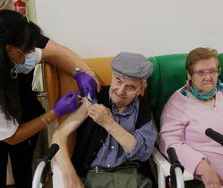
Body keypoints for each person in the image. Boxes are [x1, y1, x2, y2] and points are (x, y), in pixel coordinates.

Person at [0, 1, 100, 188]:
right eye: (0, 13)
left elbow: (50, 53)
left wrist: (82, 72)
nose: (24, 58)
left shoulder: (20, 34)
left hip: (24, 114)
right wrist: (54, 112)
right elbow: (11, 136)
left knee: (24, 168)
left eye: (11, 11)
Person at [52, 52, 158, 188]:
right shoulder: (93, 98)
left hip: (132, 179)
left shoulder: (141, 107)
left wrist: (109, 123)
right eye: (118, 81)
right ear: (112, 75)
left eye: (130, 87)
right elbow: (58, 136)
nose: (120, 91)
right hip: (93, 178)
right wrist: (70, 175)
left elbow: (143, 152)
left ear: (140, 89)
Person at [159, 47, 223, 188]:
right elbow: (170, 142)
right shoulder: (178, 103)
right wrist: (204, 168)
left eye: (213, 71)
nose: (208, 77)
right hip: (210, 179)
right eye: (201, 72)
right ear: (189, 74)